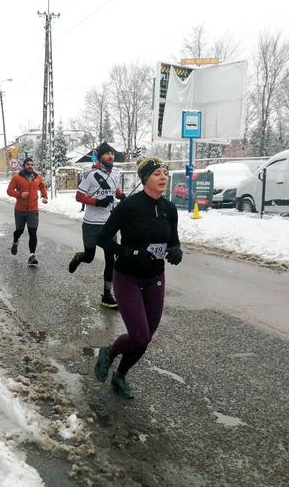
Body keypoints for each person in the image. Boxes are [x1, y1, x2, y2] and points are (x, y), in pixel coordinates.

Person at [94, 156, 183, 399]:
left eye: (165, 172)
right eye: (157, 174)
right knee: (139, 335)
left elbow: (173, 240)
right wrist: (131, 252)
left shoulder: (169, 209)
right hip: (127, 277)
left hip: (155, 276)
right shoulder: (129, 206)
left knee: (145, 339)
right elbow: (103, 239)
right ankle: (109, 353)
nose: (163, 177)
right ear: (145, 179)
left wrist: (176, 251)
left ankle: (120, 376)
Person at [68, 142, 125, 309]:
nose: (111, 156)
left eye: (112, 154)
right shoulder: (91, 175)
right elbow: (79, 196)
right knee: (89, 257)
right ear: (100, 156)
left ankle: (107, 294)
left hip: (109, 224)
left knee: (111, 260)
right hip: (91, 224)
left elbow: (115, 191)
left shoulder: (115, 174)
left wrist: (121, 196)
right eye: (107, 153)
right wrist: (97, 202)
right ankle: (80, 257)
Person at [6, 157, 48, 265]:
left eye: (32, 164)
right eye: (28, 164)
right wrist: (20, 194)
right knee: (19, 231)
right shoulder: (17, 177)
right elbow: (9, 191)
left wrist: (44, 196)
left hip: (33, 210)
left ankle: (32, 256)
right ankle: (15, 242)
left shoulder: (37, 177)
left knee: (32, 232)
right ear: (24, 165)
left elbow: (42, 186)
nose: (30, 166)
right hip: (20, 210)